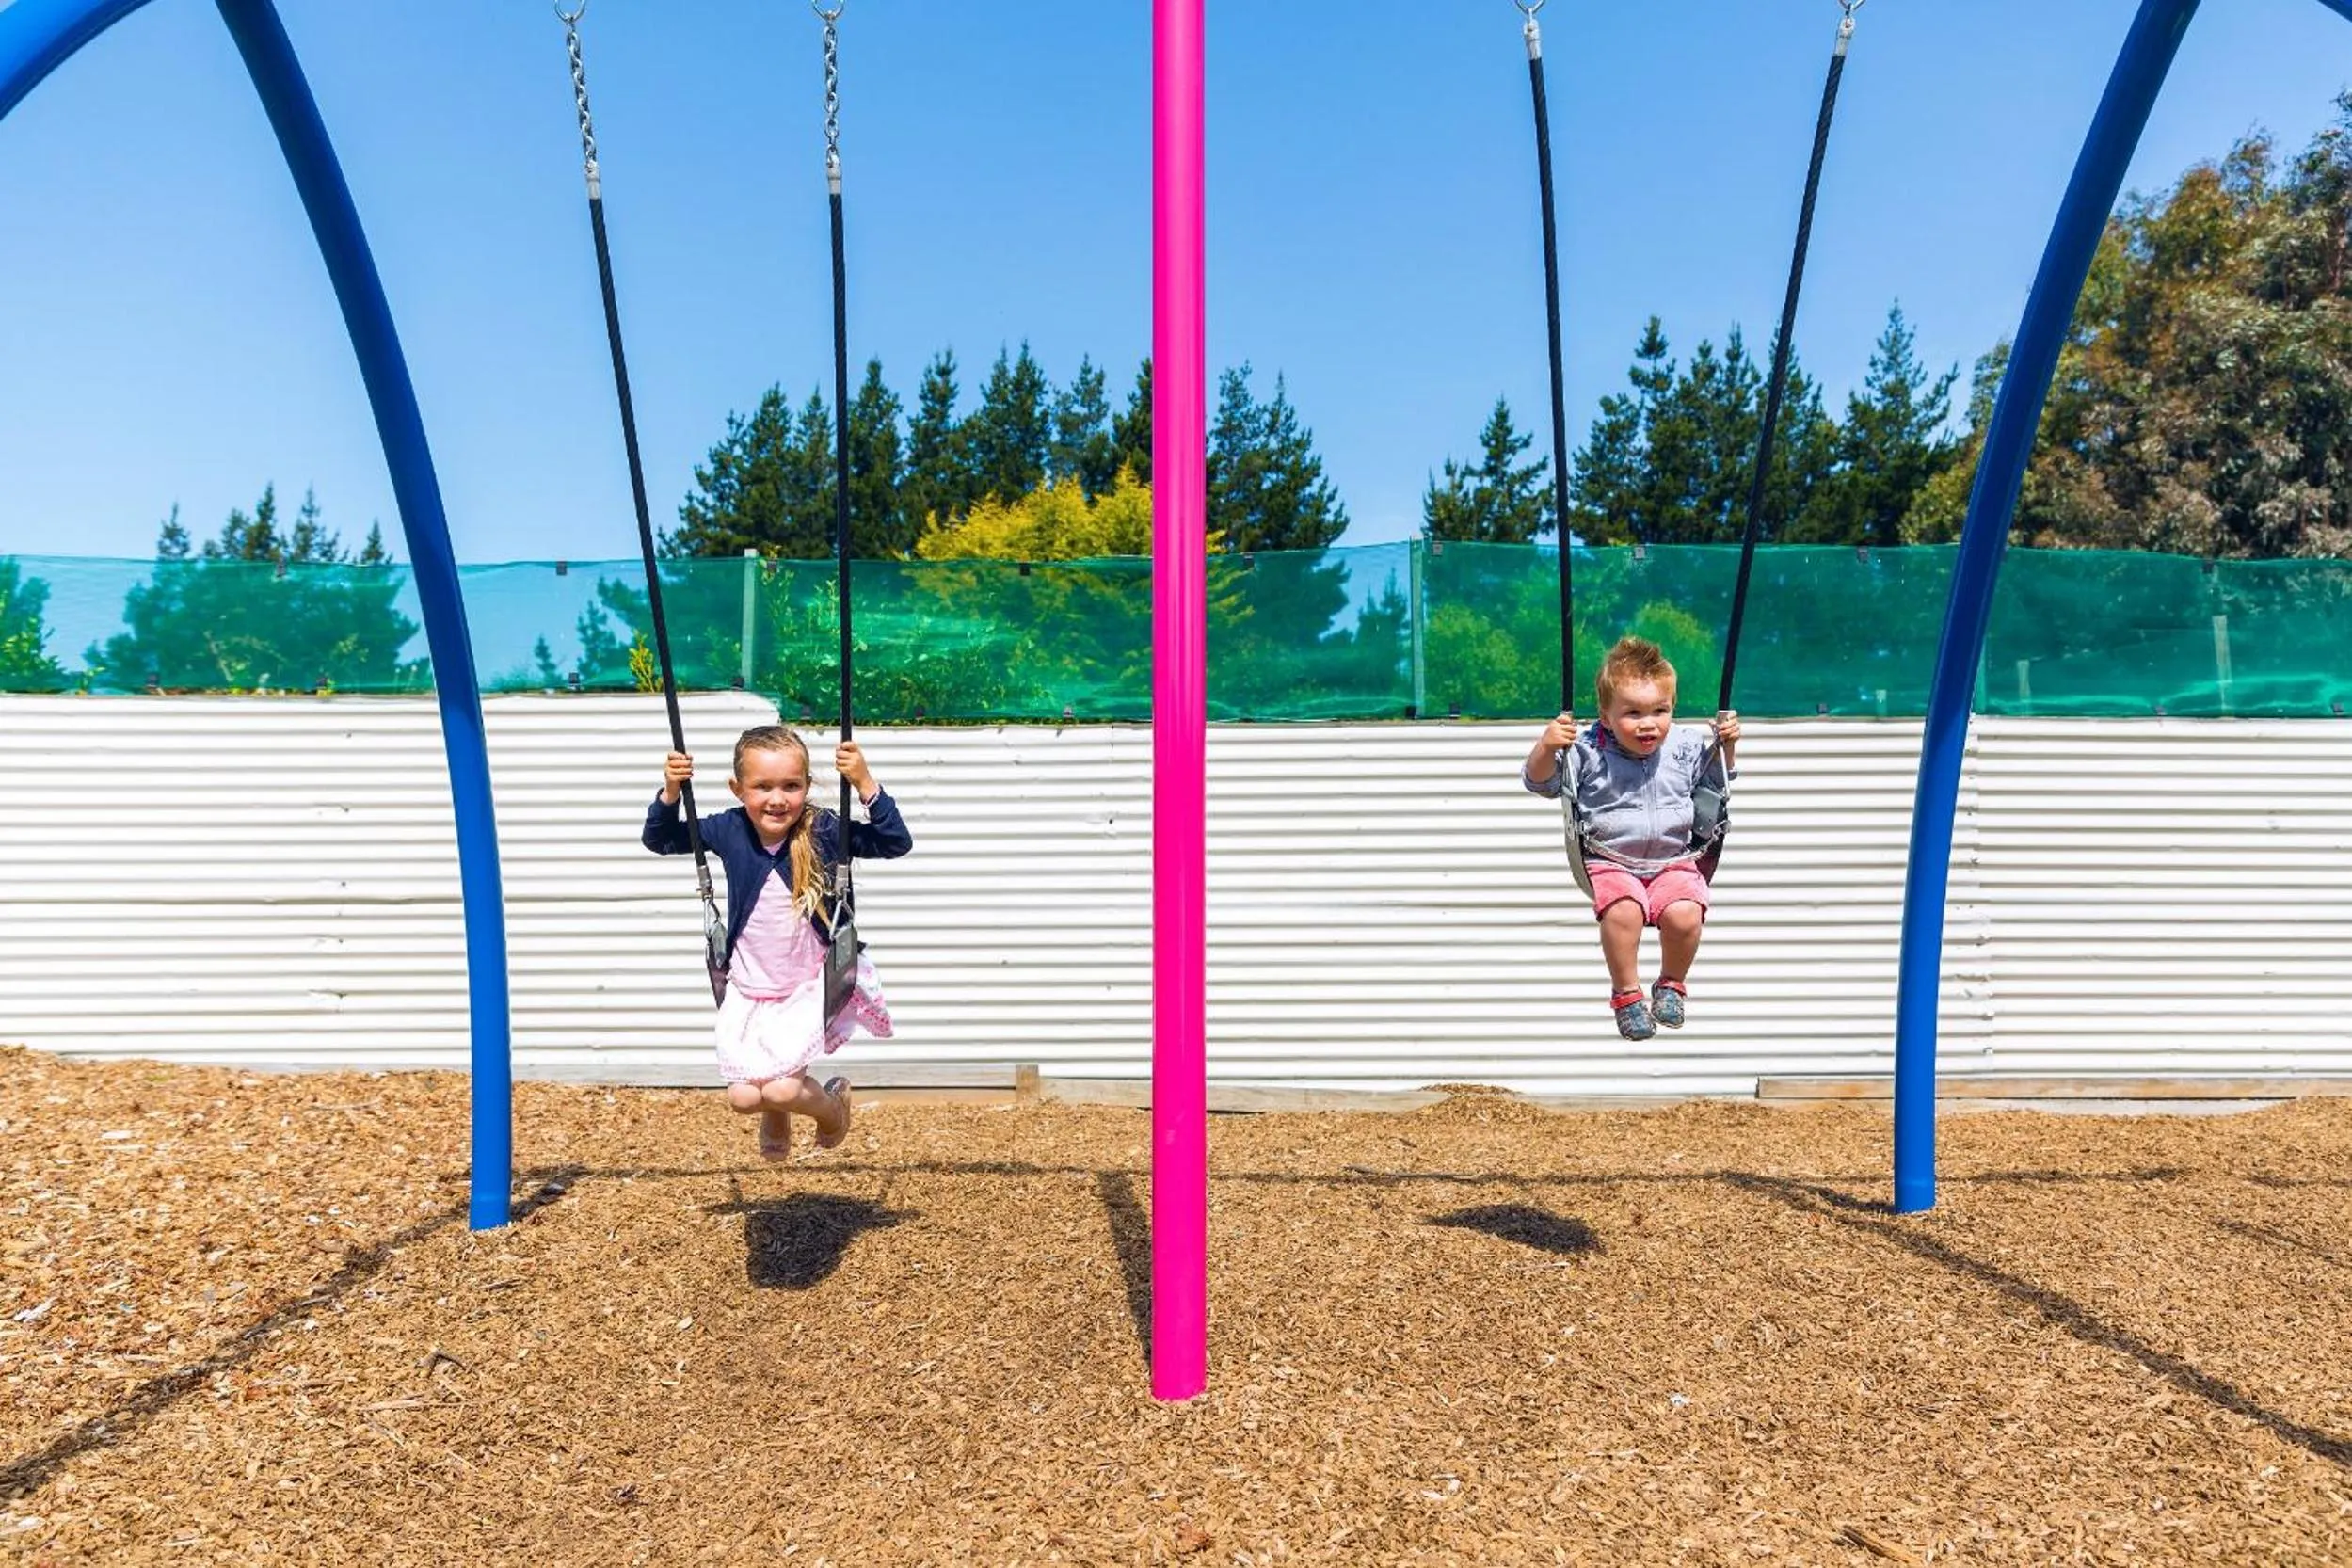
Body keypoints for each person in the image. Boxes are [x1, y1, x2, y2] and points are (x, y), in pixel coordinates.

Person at [644, 725, 911, 1160]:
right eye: (762, 786)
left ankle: (832, 1113)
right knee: (743, 1098)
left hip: (805, 985)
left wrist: (864, 783)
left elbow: (894, 843)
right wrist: (671, 791)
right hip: (749, 987)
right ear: (737, 788)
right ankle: (777, 1113)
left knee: (785, 1087)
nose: (777, 798)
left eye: (791, 786)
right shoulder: (728, 828)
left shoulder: (821, 827)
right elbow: (660, 838)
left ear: (806, 786)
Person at [1522, 635, 1740, 1042]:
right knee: (1624, 912)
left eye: (1660, 710)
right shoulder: (1587, 750)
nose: (1649, 723)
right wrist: (1546, 746)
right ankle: (1626, 994)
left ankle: (1671, 984)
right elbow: (1541, 783)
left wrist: (1726, 747)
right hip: (1610, 861)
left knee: (1686, 914)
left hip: (1674, 859)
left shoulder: (1686, 746)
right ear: (1605, 717)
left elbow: (1716, 783)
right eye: (1633, 712)